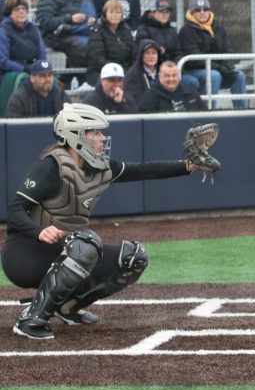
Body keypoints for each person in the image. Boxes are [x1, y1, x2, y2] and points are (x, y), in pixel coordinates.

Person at [2, 102, 206, 339]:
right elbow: (16, 210)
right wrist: (39, 231)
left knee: (133, 257)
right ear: (75, 135)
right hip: (25, 255)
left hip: (66, 251)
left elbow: (143, 170)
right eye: (95, 132)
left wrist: (189, 166)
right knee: (86, 243)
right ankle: (31, 319)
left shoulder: (99, 167)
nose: (102, 137)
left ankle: (66, 307)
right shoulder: (51, 167)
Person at [178, 0, 247, 109]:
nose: (202, 12)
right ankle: (209, 112)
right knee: (214, 76)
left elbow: (228, 50)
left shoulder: (218, 27)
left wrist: (228, 65)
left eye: (205, 9)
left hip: (218, 69)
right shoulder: (186, 31)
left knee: (239, 76)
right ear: (191, 13)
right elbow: (195, 59)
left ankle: (242, 112)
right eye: (197, 10)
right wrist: (219, 68)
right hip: (195, 71)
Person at [34, 0, 96, 72]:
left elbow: (89, 11)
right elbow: (45, 22)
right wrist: (69, 18)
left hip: (78, 32)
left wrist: (90, 20)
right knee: (82, 48)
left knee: (98, 43)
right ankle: (75, 79)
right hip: (55, 36)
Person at [134, 0, 199, 91]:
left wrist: (175, 66)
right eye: (161, 11)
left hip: (172, 71)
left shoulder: (172, 31)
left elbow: (178, 52)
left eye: (167, 12)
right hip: (154, 73)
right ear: (153, 13)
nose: (165, 14)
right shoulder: (144, 29)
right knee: (191, 82)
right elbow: (143, 51)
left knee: (196, 80)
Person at [86, 0, 135, 86]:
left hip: (124, 71)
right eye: (111, 12)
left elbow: (133, 54)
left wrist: (129, 70)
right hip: (100, 72)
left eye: (117, 12)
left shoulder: (126, 31)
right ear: (105, 14)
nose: (114, 15)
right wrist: (115, 69)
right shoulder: (98, 30)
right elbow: (96, 58)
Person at [6, 60, 71, 118]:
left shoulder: (61, 95)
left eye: (50, 75)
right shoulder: (19, 98)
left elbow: (71, 119)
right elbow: (13, 125)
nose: (47, 79)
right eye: (42, 76)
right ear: (32, 78)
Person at [138, 60, 207, 113]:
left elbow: (205, 116)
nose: (171, 79)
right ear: (159, 76)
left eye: (174, 75)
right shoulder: (150, 96)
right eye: (167, 76)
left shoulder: (191, 93)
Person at [0, 0, 45, 77]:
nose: (21, 11)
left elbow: (42, 55)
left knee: (51, 80)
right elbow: (3, 61)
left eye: (23, 9)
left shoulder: (34, 28)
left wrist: (42, 68)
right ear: (9, 13)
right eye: (16, 9)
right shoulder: (3, 30)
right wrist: (24, 69)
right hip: (12, 72)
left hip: (33, 69)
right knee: (24, 78)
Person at [124, 39, 161, 103]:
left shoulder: (163, 72)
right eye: (147, 53)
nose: (151, 56)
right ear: (141, 55)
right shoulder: (132, 74)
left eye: (154, 53)